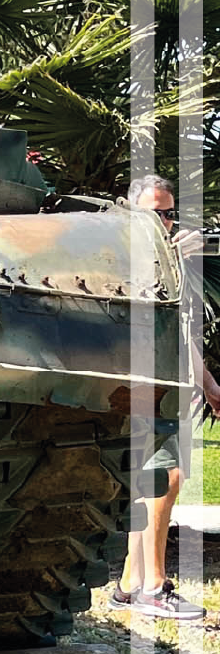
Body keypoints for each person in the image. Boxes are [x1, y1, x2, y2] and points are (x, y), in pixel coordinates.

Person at [111, 175, 220, 620]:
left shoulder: (170, 264)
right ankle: (153, 589)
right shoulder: (117, 253)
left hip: (166, 389)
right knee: (163, 478)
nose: (164, 222)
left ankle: (129, 585)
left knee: (158, 484)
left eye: (169, 214)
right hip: (133, 388)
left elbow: (179, 332)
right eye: (153, 213)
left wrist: (209, 384)